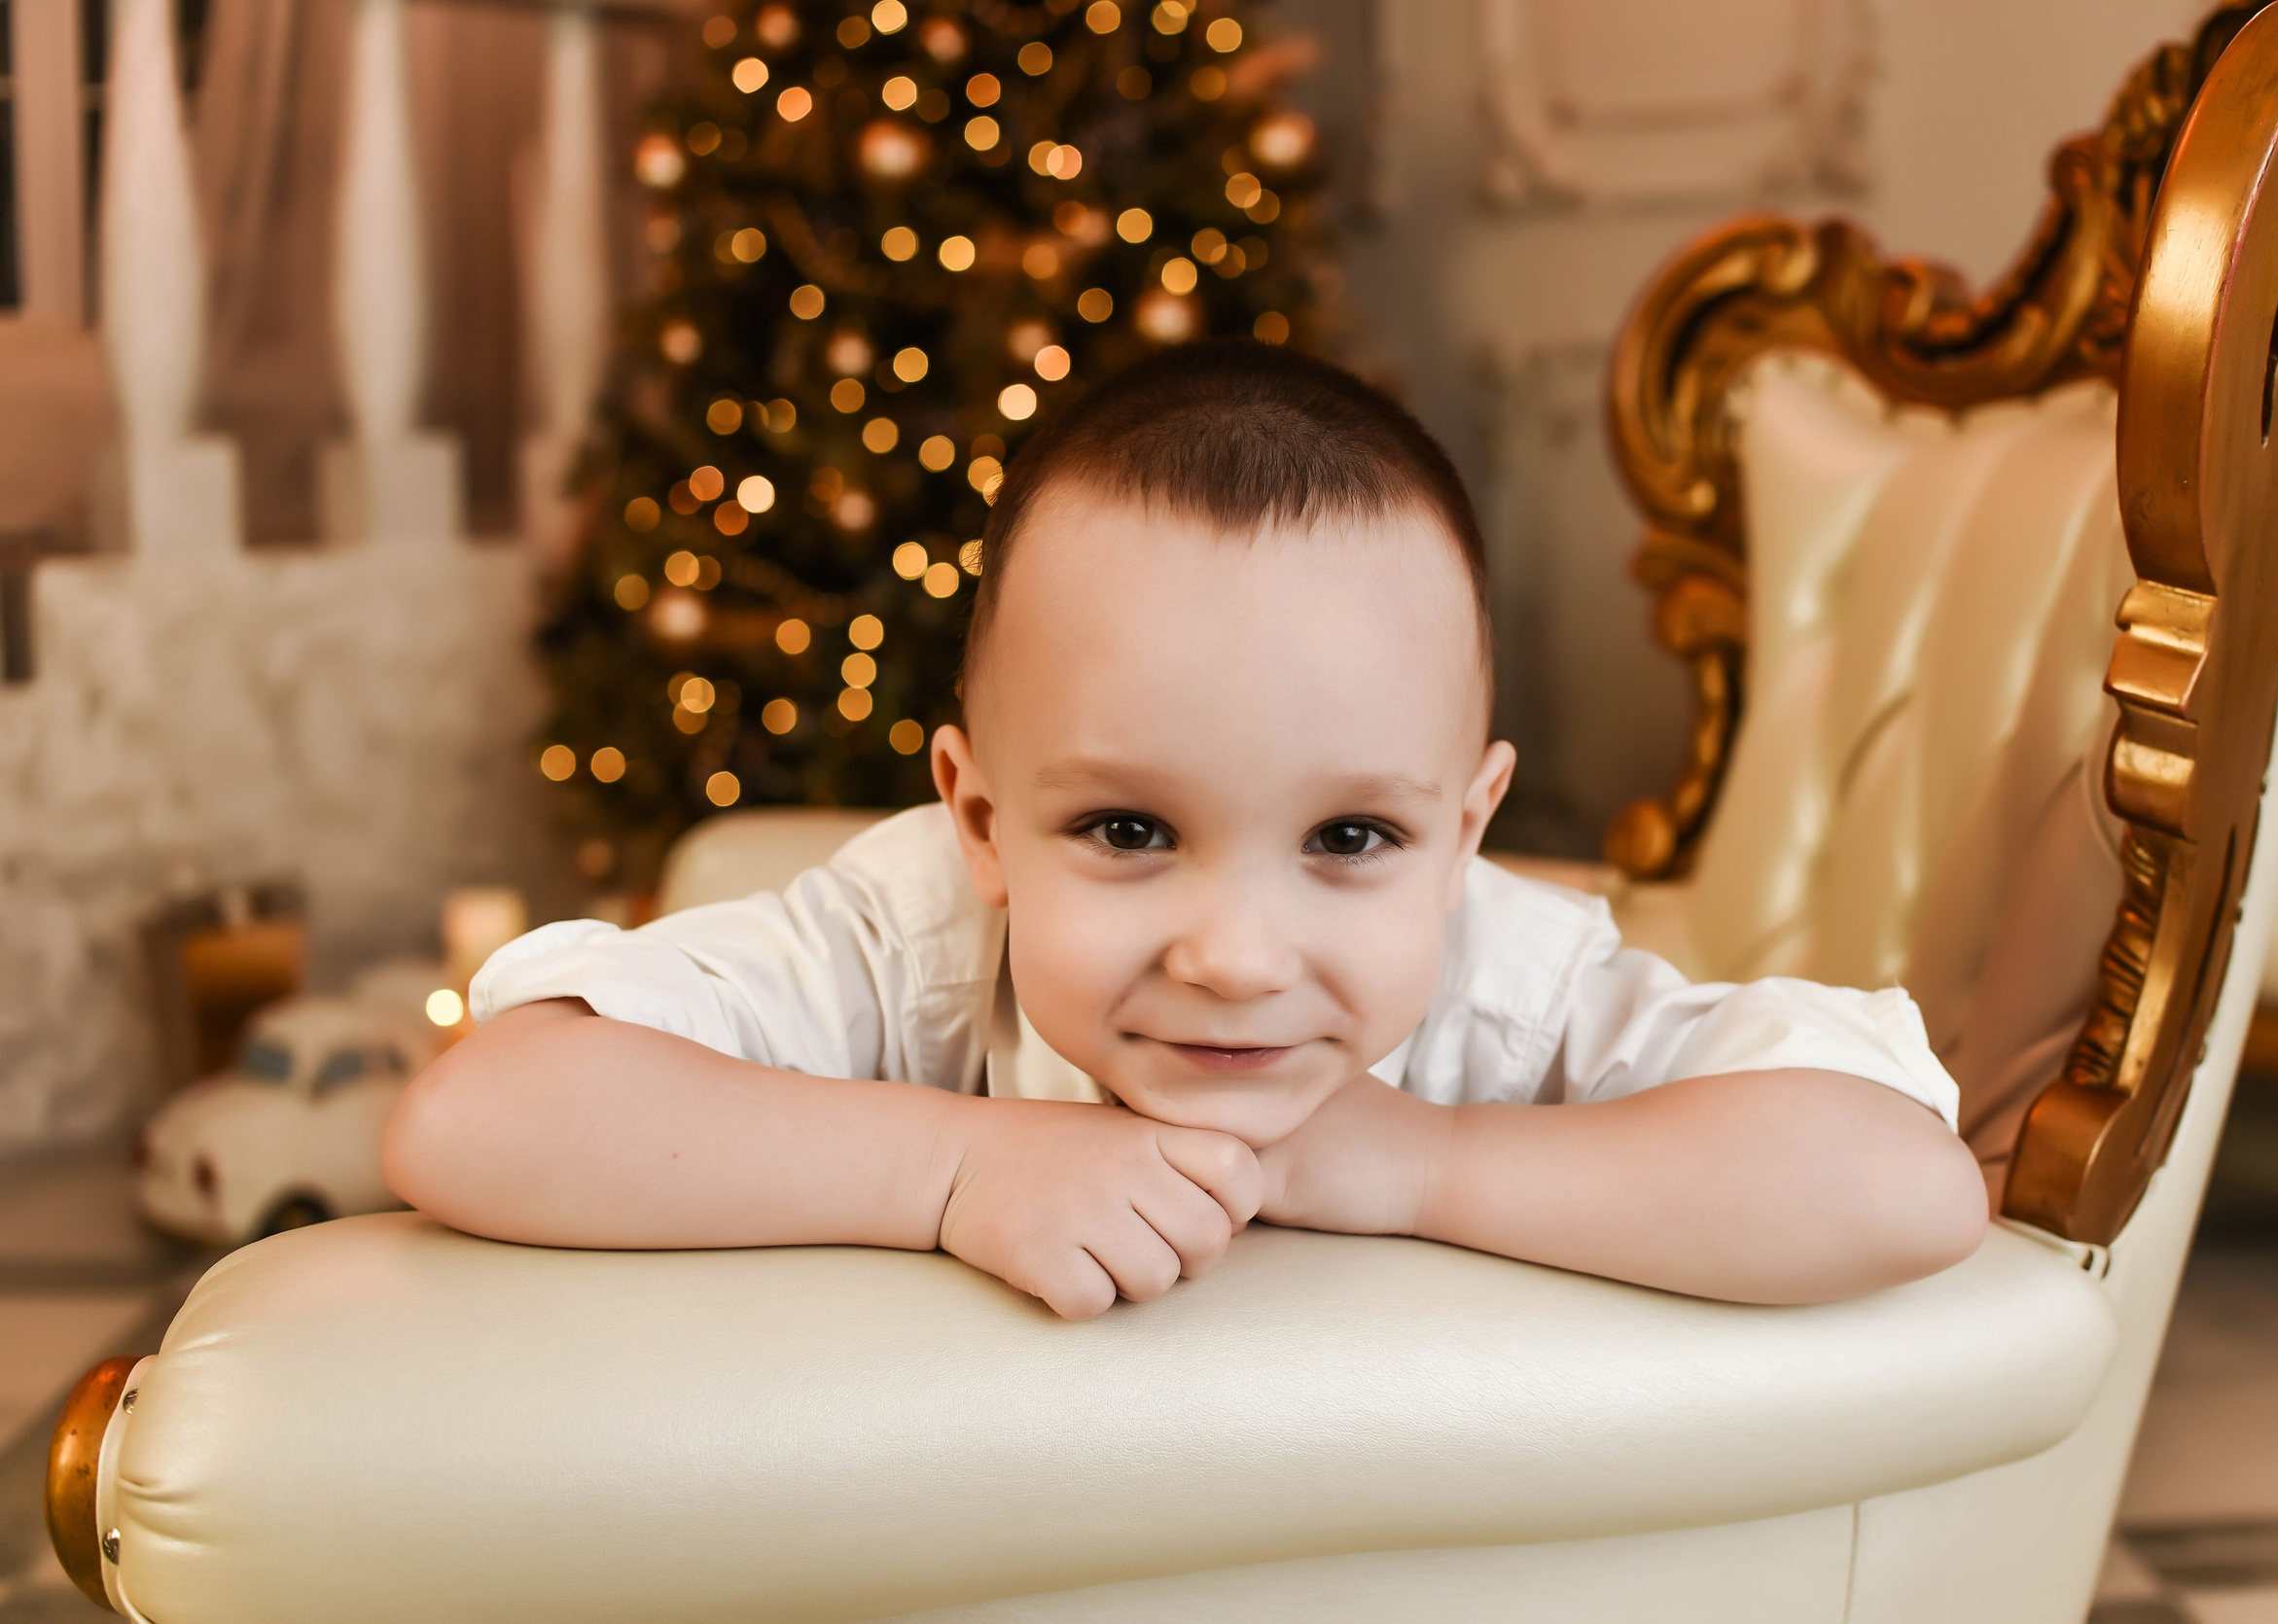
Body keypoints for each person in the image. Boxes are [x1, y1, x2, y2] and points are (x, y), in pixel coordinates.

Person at [383, 340, 1989, 1321]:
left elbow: (1903, 1186)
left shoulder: (1511, 987)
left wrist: (1428, 1165)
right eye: (1131, 825)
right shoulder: (913, 944)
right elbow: (481, 1116)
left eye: (1353, 837)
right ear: (980, 819)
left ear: (1468, 827)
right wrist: (959, 1164)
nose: (1236, 956)